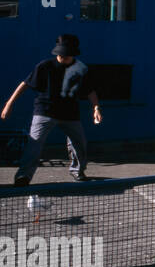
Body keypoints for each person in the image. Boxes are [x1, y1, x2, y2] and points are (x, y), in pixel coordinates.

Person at [4, 34, 101, 186]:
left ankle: (77, 171)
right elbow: (25, 84)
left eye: (66, 56)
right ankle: (23, 177)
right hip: (45, 111)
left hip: (70, 114)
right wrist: (9, 104)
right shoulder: (44, 66)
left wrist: (96, 108)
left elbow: (90, 91)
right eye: (61, 55)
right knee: (34, 144)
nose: (63, 58)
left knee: (79, 143)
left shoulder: (81, 69)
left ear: (73, 54)